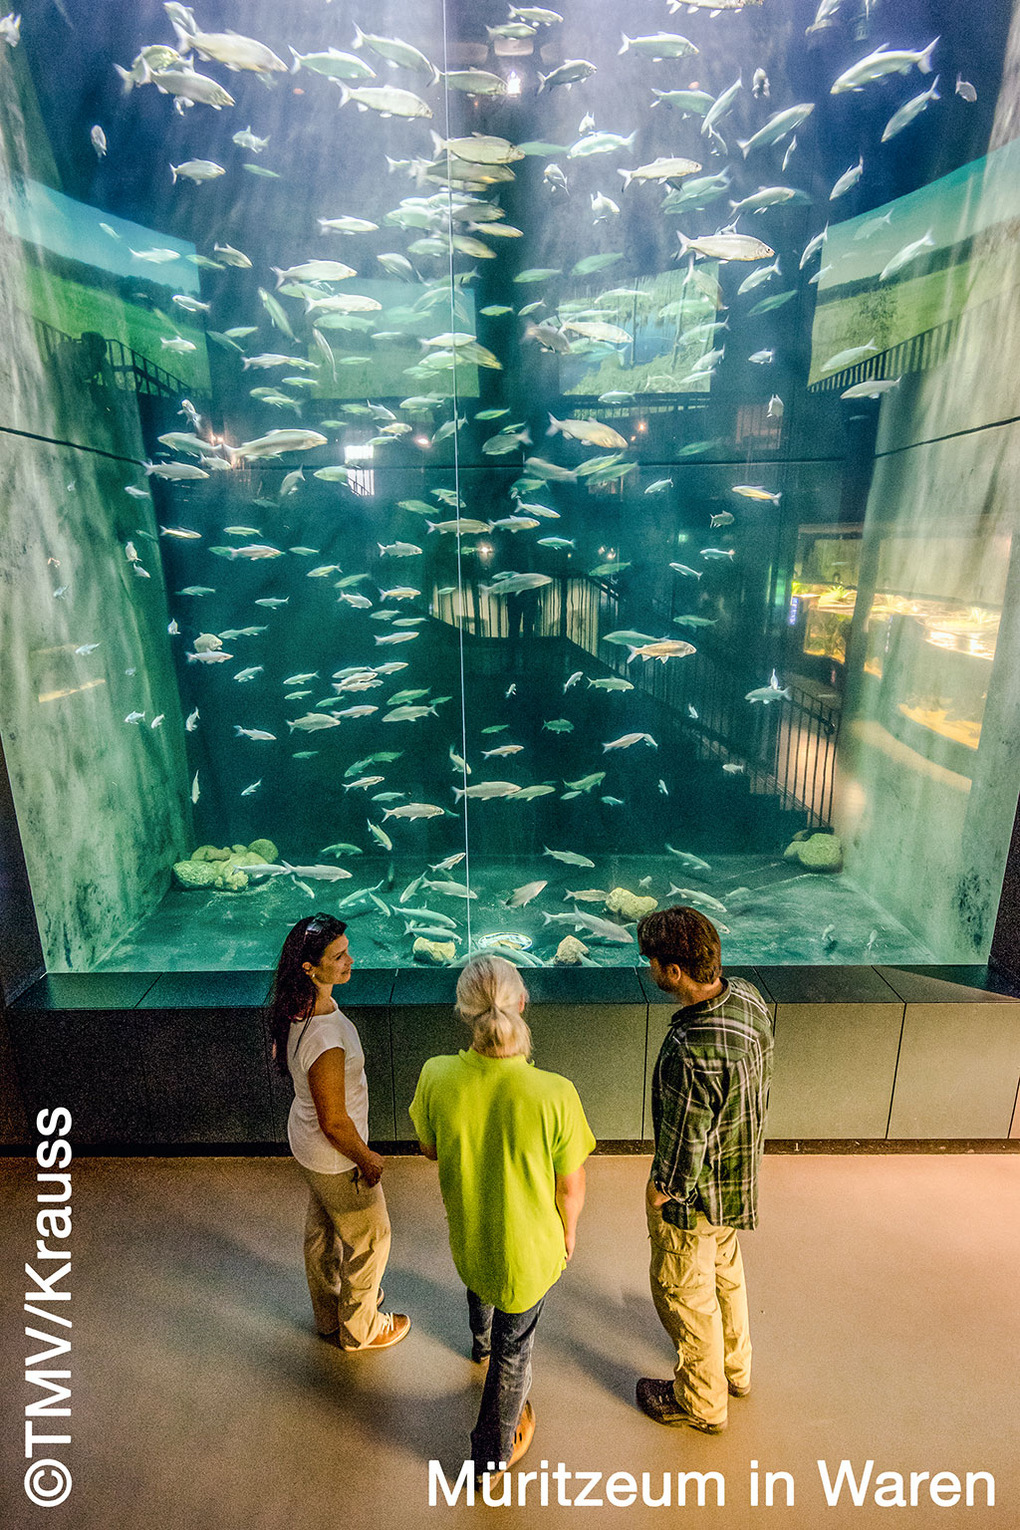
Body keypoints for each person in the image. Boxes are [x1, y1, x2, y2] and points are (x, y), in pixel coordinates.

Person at [409, 955, 595, 1482]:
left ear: (464, 1012)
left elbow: (429, 1147)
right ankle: (490, 1457)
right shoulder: (555, 1093)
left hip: (470, 1234)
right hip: (528, 1256)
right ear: (522, 1004)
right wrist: (568, 1231)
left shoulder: (436, 1075)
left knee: (481, 1288)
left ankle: (479, 1343)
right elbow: (570, 1185)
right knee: (516, 1354)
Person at [635, 905, 773, 1433]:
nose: (649, 968)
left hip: (694, 1201)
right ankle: (736, 1370)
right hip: (735, 1181)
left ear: (674, 971)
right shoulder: (749, 999)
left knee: (686, 1295)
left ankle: (701, 1401)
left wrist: (661, 1192)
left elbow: (683, 1145)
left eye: (651, 961)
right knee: (725, 1275)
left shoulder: (688, 1050)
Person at [267, 913, 410, 1350]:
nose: (351, 960)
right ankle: (361, 1328)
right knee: (372, 1238)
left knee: (324, 1232)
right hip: (335, 1155)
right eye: (339, 956)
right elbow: (333, 1120)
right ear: (309, 968)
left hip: (309, 1147)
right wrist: (367, 1158)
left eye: (347, 951)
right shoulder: (325, 1036)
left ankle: (330, 1312)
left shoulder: (297, 1008)